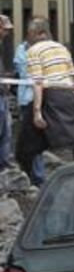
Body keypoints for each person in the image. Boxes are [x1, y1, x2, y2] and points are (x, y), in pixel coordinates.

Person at [15, 17, 74, 181]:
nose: (27, 38)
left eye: (29, 34)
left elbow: (38, 82)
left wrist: (37, 111)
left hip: (50, 96)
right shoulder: (62, 48)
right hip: (68, 95)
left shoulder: (33, 51)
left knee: (25, 147)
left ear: (36, 33)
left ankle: (35, 180)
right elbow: (70, 74)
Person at [13, 24, 45, 186]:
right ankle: (29, 174)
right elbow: (25, 71)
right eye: (31, 33)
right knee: (26, 139)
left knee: (35, 140)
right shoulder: (21, 49)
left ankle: (38, 177)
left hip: (38, 100)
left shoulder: (43, 50)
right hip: (26, 99)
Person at [0, 15, 13, 172]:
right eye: (5, 29)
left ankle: (4, 163)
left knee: (6, 131)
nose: (7, 33)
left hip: (2, 93)